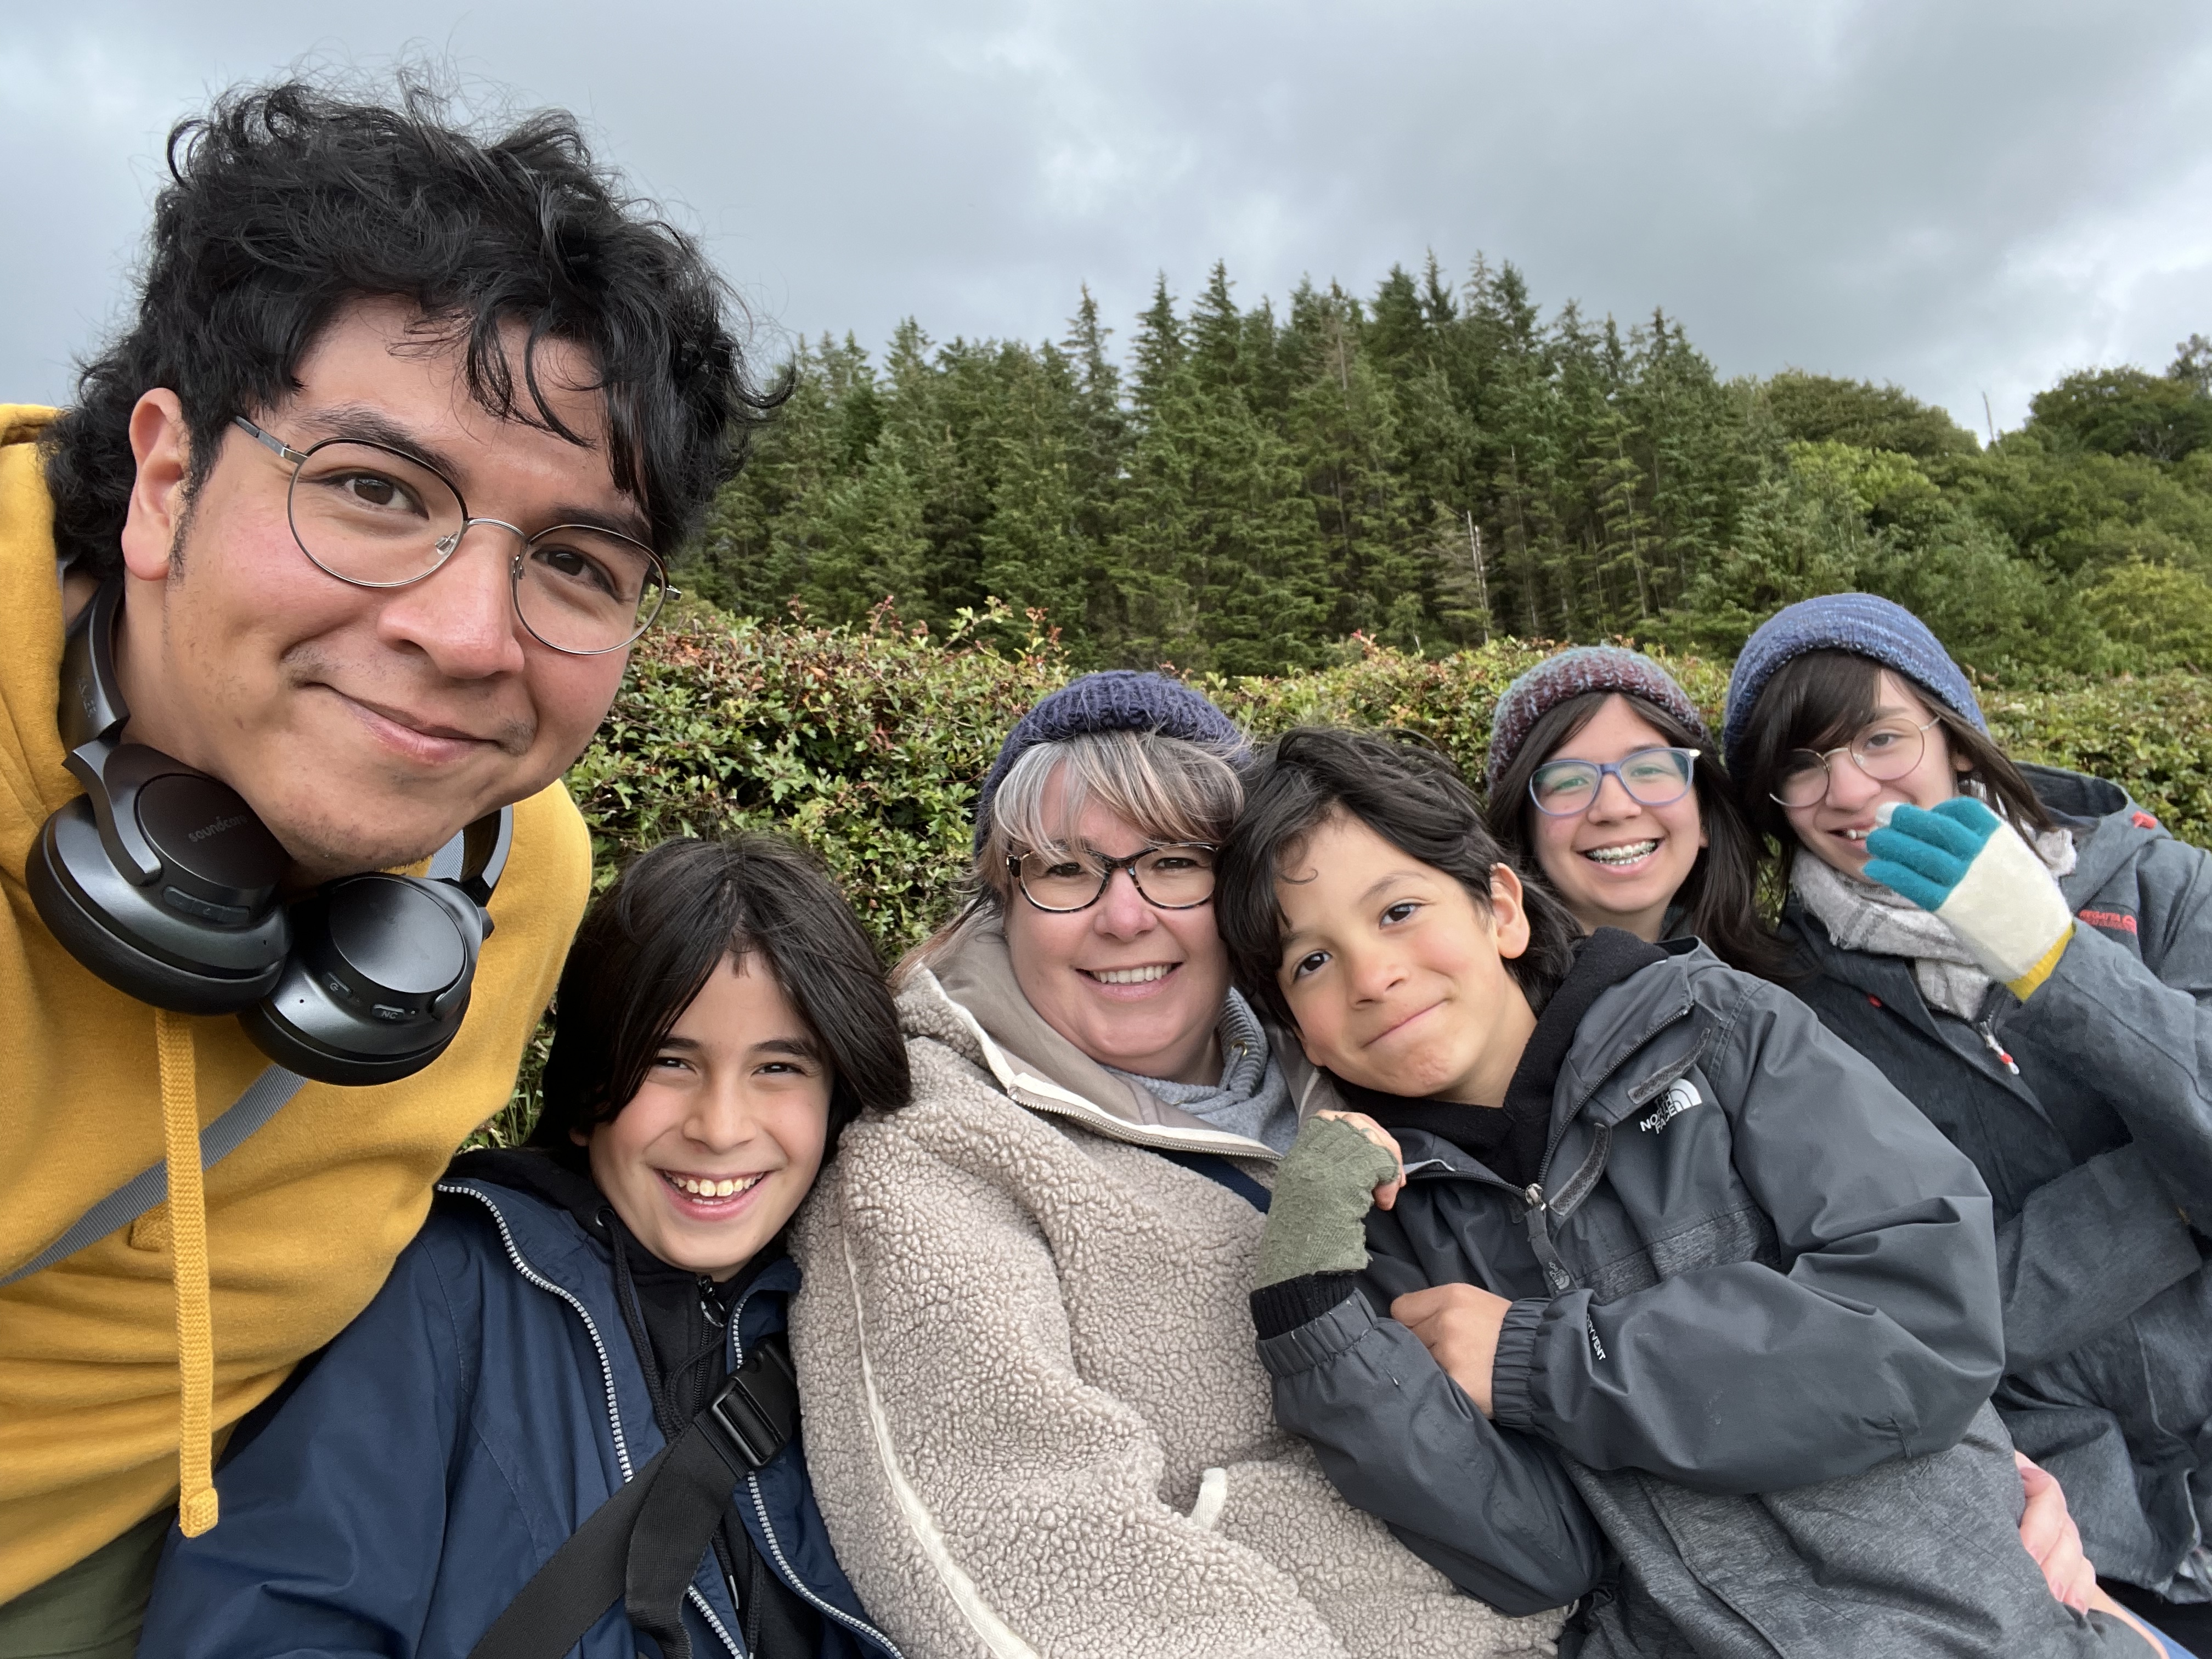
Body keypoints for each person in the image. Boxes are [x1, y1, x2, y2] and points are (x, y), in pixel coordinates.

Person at [0, 79, 770, 1655]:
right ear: (166, 479)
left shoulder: (521, 868)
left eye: (575, 564)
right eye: (372, 489)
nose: (469, 638)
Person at [1213, 725, 2176, 1657]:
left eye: (1397, 911)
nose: (1374, 975)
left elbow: (1923, 1321)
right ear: (1296, 1026)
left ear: (1500, 907)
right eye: (1312, 961)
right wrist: (1315, 1319)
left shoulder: (1722, 1029)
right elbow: (1541, 1553)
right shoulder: (1388, 1216)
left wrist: (1540, 1358)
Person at [786, 672, 1561, 1657]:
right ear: (1001, 899)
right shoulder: (933, 1157)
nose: (1124, 916)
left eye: (1175, 861)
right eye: (1065, 869)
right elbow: (1026, 1559)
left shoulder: (1356, 1053)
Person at [137, 834, 908, 1658]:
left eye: (779, 1068)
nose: (719, 1128)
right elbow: (271, 1623)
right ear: (587, 1090)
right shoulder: (445, 1290)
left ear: (839, 1097)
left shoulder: (864, 1325)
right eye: (669, 1061)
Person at [1724, 592, 2212, 1648]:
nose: (1847, 789)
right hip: (2081, 1529)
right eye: (1801, 764)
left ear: (1951, 728)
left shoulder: (2158, 884)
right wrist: (2172, 1194)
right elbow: (1916, 1312)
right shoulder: (1788, 1006)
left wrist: (2055, 962)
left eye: (1879, 737)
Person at [1482, 646, 1785, 975]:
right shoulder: (1486, 999)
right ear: (1524, 829)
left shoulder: (1778, 986)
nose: (1615, 808)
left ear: (1705, 816)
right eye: (1569, 781)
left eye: (1648, 769)